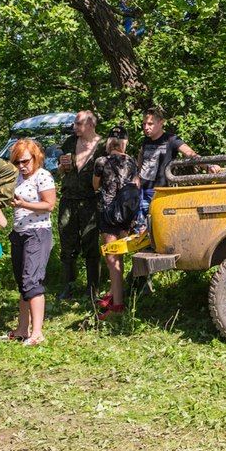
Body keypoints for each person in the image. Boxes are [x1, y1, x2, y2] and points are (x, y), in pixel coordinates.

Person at [7, 139, 55, 345]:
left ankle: (37, 334)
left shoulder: (43, 176)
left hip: (38, 233)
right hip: (19, 233)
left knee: (32, 282)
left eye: (25, 161)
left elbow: (49, 204)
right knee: (22, 283)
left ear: (36, 157)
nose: (21, 166)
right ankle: (21, 329)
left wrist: (23, 204)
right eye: (17, 162)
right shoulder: (17, 177)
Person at [135, 107, 212, 231]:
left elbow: (190, 153)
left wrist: (208, 166)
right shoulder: (146, 140)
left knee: (159, 227)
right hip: (143, 190)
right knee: (141, 227)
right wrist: (137, 175)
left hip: (160, 191)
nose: (146, 127)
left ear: (161, 123)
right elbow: (141, 156)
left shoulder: (171, 139)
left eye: (150, 124)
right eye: (144, 124)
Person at [93, 126, 138, 321]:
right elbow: (136, 184)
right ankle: (115, 294)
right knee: (122, 257)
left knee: (113, 260)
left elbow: (95, 185)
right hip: (127, 214)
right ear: (124, 143)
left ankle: (118, 305)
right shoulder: (131, 161)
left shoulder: (101, 161)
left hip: (109, 213)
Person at [57, 110, 102, 300]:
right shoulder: (69, 143)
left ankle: (93, 288)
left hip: (91, 201)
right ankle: (69, 285)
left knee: (91, 244)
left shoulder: (103, 146)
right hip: (68, 199)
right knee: (67, 245)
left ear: (90, 124)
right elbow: (59, 171)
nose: (74, 127)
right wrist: (62, 167)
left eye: (78, 124)